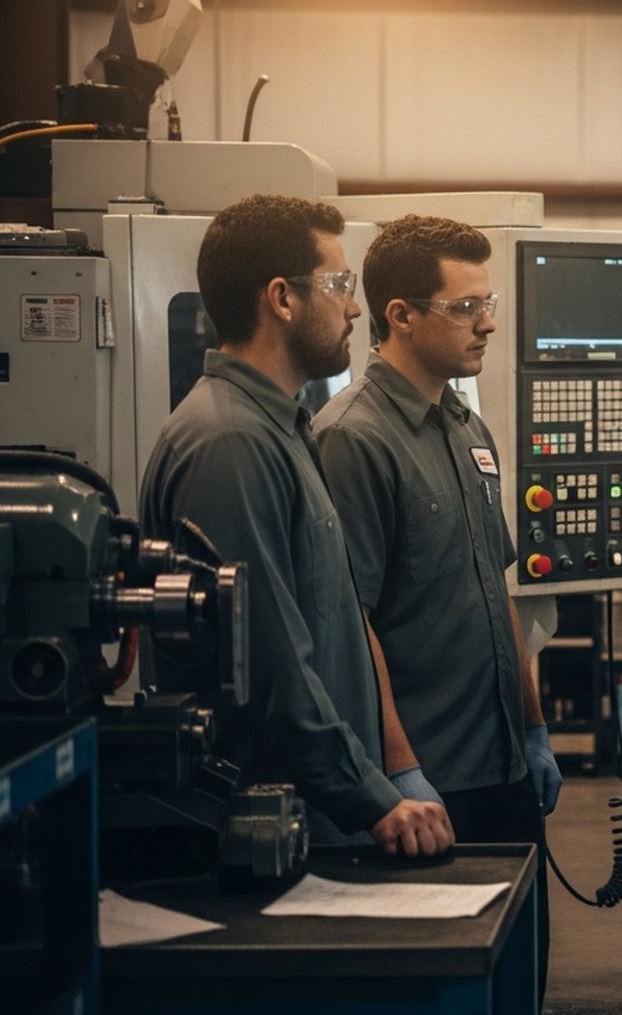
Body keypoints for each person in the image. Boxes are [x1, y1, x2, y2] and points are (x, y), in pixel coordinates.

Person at [139, 193, 453, 856]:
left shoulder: (281, 427)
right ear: (282, 299)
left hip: (316, 814)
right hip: (271, 825)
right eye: (339, 284)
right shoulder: (231, 443)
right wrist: (373, 799)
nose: (354, 306)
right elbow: (271, 665)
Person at [312, 213, 561, 993]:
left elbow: (502, 591)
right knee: (447, 989)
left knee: (520, 979)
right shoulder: (353, 439)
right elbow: (353, 619)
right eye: (465, 307)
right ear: (400, 315)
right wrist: (400, 771)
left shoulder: (469, 427)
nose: (487, 323)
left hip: (501, 768)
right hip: (426, 787)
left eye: (489, 303)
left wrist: (534, 727)